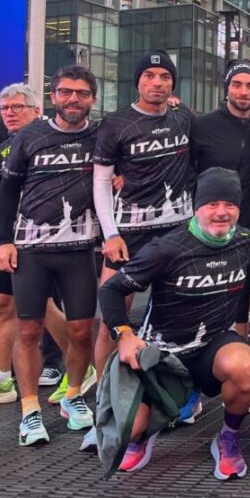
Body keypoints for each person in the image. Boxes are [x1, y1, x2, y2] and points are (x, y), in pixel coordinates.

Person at [98, 168, 250, 479]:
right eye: (212, 204)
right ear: (197, 208)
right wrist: (124, 335)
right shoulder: (166, 249)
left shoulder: (243, 240)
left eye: (230, 205)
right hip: (163, 355)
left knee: (245, 363)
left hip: (211, 348)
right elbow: (111, 289)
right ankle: (143, 435)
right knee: (129, 428)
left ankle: (228, 437)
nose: (221, 212)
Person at [0, 67, 101, 446]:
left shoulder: (101, 136)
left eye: (81, 93)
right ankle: (30, 411)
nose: (73, 99)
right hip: (32, 250)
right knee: (28, 328)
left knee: (82, 330)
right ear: (53, 96)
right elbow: (7, 191)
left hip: (80, 249)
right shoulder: (29, 137)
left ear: (92, 98)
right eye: (65, 92)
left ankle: (73, 396)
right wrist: (4, 241)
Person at [92, 51, 193, 386]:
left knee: (177, 316)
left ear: (173, 84)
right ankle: (104, 396)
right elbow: (101, 182)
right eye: (149, 75)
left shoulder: (183, 117)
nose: (157, 83)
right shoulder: (115, 123)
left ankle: (175, 391)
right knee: (112, 320)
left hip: (176, 231)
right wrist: (110, 234)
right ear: (137, 81)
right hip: (128, 234)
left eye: (165, 77)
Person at [190, 60, 250, 337]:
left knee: (244, 297)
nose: (244, 91)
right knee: (207, 297)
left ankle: (246, 349)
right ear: (226, 88)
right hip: (209, 227)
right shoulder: (202, 125)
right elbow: (181, 168)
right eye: (237, 85)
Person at [0, 84, 70, 406]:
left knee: (43, 306)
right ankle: (4, 379)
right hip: (8, 238)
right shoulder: (6, 146)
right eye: (5, 109)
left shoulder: (51, 141)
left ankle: (77, 364)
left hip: (42, 239)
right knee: (5, 304)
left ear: (37, 110)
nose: (9, 113)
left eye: (17, 107)